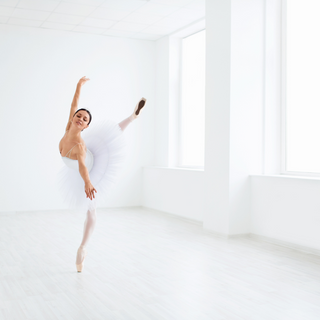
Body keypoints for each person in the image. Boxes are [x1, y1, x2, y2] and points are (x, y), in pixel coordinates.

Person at [58, 76, 146, 272]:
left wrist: (87, 183)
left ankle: (82, 248)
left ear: (87, 126)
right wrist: (78, 85)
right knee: (110, 135)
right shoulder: (68, 128)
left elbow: (82, 166)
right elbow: (74, 103)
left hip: (92, 166)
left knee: (92, 210)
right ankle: (132, 117)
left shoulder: (80, 145)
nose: (80, 119)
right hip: (83, 164)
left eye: (85, 119)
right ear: (73, 118)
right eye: (78, 116)